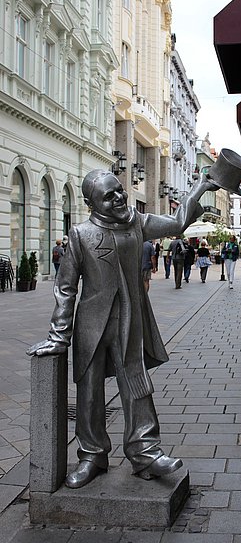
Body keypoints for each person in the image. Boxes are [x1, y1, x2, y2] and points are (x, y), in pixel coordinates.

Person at [27, 168, 218, 489]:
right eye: (108, 195)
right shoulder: (80, 234)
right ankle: (92, 455)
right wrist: (58, 337)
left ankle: (146, 452)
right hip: (91, 324)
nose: (118, 198)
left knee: (137, 383)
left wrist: (199, 188)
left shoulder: (137, 222)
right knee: (89, 392)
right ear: (90, 203)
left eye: (119, 190)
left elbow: (176, 223)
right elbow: (65, 288)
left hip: (130, 319)